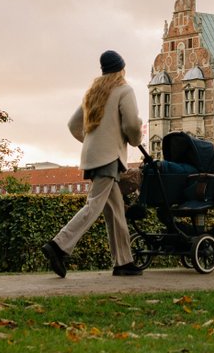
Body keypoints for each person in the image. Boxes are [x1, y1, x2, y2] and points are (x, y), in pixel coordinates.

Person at [43, 50, 143, 278]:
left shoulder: (93, 93)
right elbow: (132, 126)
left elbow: (72, 125)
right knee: (94, 205)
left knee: (116, 211)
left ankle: (123, 262)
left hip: (92, 156)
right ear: (121, 69)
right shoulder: (124, 90)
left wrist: (91, 141)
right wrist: (135, 140)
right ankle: (59, 245)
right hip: (109, 158)